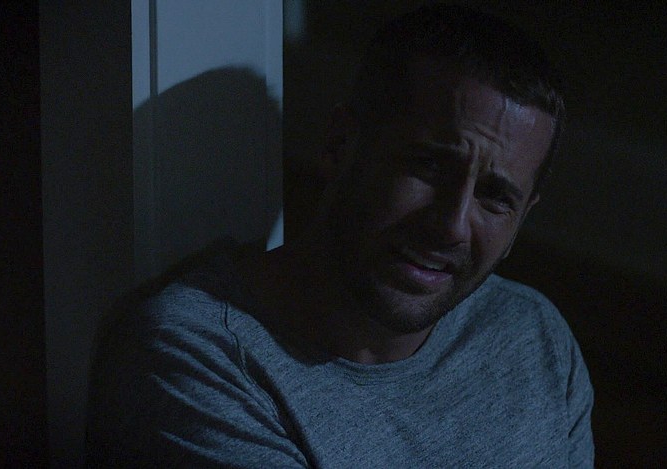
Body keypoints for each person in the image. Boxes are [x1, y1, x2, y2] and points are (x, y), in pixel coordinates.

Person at [87, 3, 594, 467]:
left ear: (521, 220)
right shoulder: (196, 360)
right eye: (428, 166)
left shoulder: (535, 338)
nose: (451, 226)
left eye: (495, 197)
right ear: (340, 144)